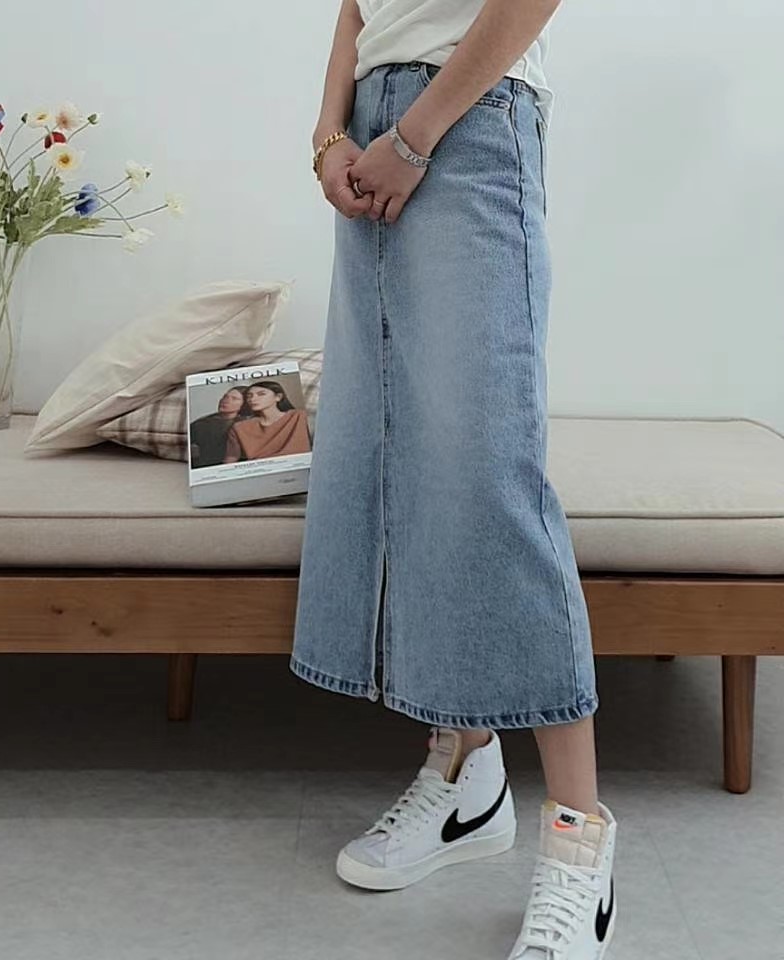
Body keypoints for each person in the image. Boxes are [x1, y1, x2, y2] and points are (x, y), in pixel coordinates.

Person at [290, 1, 617, 958]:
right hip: (376, 131)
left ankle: (581, 845)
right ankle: (467, 780)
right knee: (400, 462)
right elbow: (358, 10)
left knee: (487, 478)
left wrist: (414, 136)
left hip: (468, 121)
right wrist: (329, 137)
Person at [222, 381, 311, 463]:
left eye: (261, 394)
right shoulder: (239, 427)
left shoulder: (299, 416)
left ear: (278, 397)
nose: (252, 399)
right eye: (249, 396)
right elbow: (231, 458)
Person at [189, 387, 251, 469]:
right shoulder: (201, 423)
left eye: (234, 398)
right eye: (225, 396)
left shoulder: (246, 425)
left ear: (244, 404)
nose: (226, 400)